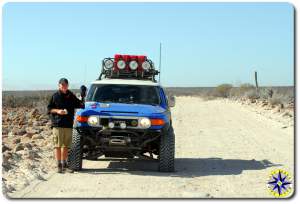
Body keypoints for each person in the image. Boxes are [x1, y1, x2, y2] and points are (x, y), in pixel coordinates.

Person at [47, 78, 85, 173]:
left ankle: (64, 164)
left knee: (66, 146)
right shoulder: (55, 96)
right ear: (59, 85)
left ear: (68, 85)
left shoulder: (71, 95)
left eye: (65, 85)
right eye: (62, 85)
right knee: (57, 145)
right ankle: (59, 165)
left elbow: (80, 105)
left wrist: (83, 96)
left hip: (68, 125)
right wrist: (58, 111)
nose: (64, 87)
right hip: (57, 124)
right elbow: (49, 109)